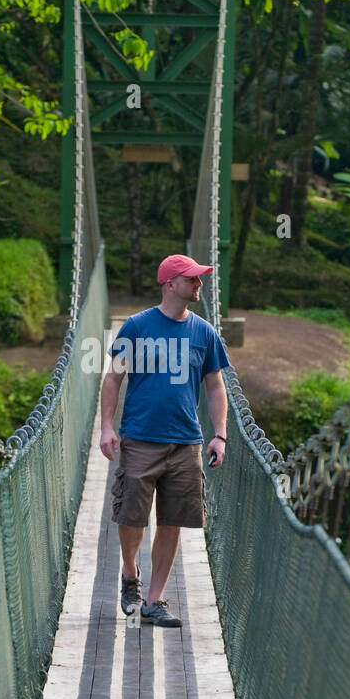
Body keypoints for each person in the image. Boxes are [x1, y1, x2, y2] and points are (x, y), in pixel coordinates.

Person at [99, 253, 230, 627]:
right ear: (170, 283)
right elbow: (113, 379)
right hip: (140, 438)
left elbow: (216, 386)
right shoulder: (137, 328)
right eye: (192, 279)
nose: (199, 284)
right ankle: (130, 574)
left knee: (171, 520)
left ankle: (153, 601)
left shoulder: (204, 333)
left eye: (200, 278)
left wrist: (220, 435)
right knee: (131, 517)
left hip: (186, 441)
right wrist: (107, 427)